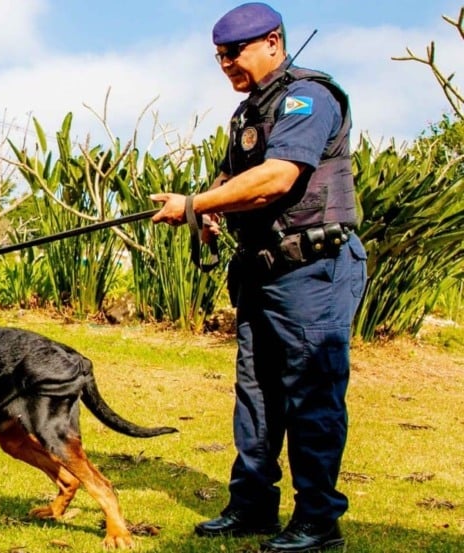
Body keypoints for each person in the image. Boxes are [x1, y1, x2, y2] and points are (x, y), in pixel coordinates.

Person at [150, 3, 367, 552]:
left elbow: (277, 178)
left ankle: (318, 521)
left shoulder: (308, 97)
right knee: (257, 396)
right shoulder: (249, 114)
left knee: (311, 396)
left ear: (273, 41)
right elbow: (237, 176)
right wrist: (210, 211)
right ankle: (252, 506)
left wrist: (195, 202)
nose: (225, 64)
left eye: (233, 53)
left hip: (315, 269)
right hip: (263, 272)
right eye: (218, 56)